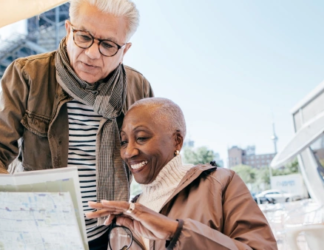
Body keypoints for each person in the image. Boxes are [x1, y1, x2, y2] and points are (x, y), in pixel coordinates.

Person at [0, 0, 153, 249]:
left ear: (124, 50)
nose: (92, 53)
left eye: (107, 45)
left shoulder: (138, 88)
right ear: (68, 29)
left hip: (108, 234)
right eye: (84, 37)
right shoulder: (27, 75)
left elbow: (153, 162)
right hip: (38, 232)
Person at [86, 97, 278, 250]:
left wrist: (175, 232)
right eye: (124, 141)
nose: (128, 152)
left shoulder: (220, 184)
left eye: (142, 138)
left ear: (177, 141)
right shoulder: (128, 213)